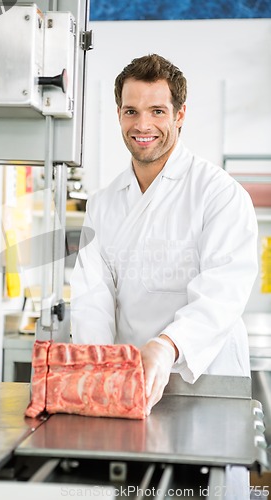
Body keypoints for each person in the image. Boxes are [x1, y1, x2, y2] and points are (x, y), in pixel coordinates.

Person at [70, 53, 257, 411]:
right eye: (131, 111)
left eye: (157, 111)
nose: (142, 125)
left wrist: (166, 345)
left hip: (204, 384)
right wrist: (102, 364)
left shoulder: (218, 193)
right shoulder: (103, 204)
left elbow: (223, 292)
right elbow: (93, 297)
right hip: (127, 385)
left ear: (179, 115)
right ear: (119, 115)